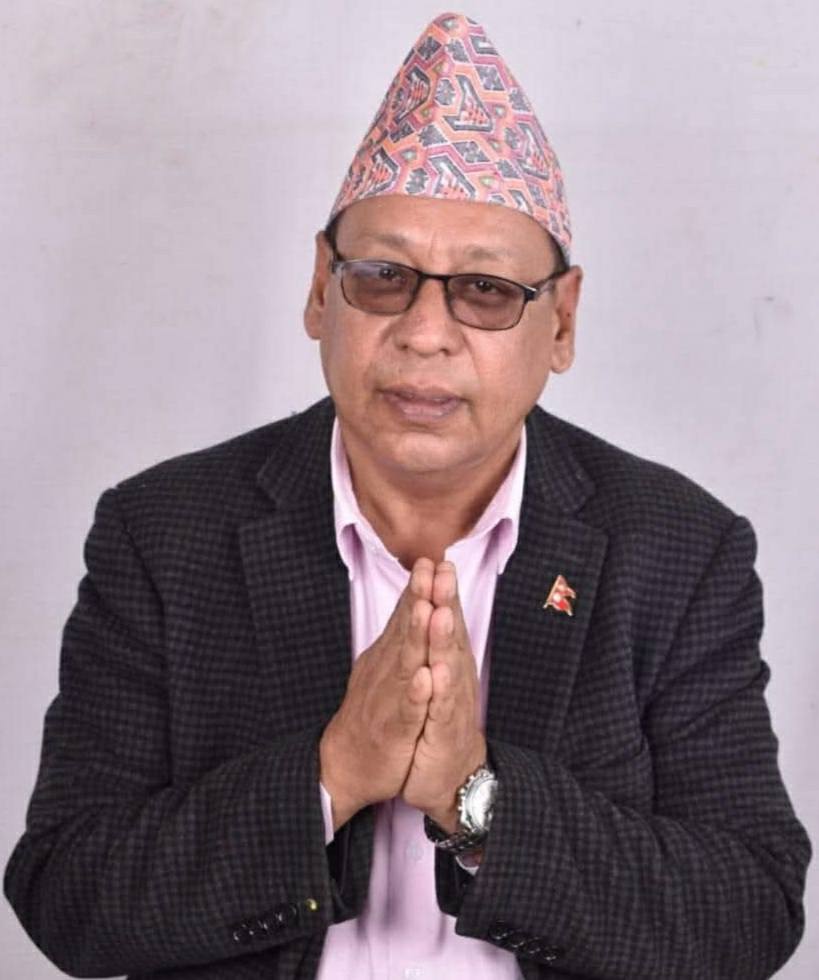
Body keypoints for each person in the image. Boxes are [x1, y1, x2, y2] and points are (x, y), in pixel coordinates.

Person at [4, 11, 810, 980]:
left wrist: (477, 794)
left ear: (561, 322)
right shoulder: (167, 531)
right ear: (321, 290)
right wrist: (333, 771)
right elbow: (68, 896)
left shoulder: (676, 549)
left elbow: (747, 911)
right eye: (383, 277)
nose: (425, 332)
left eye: (485, 290)